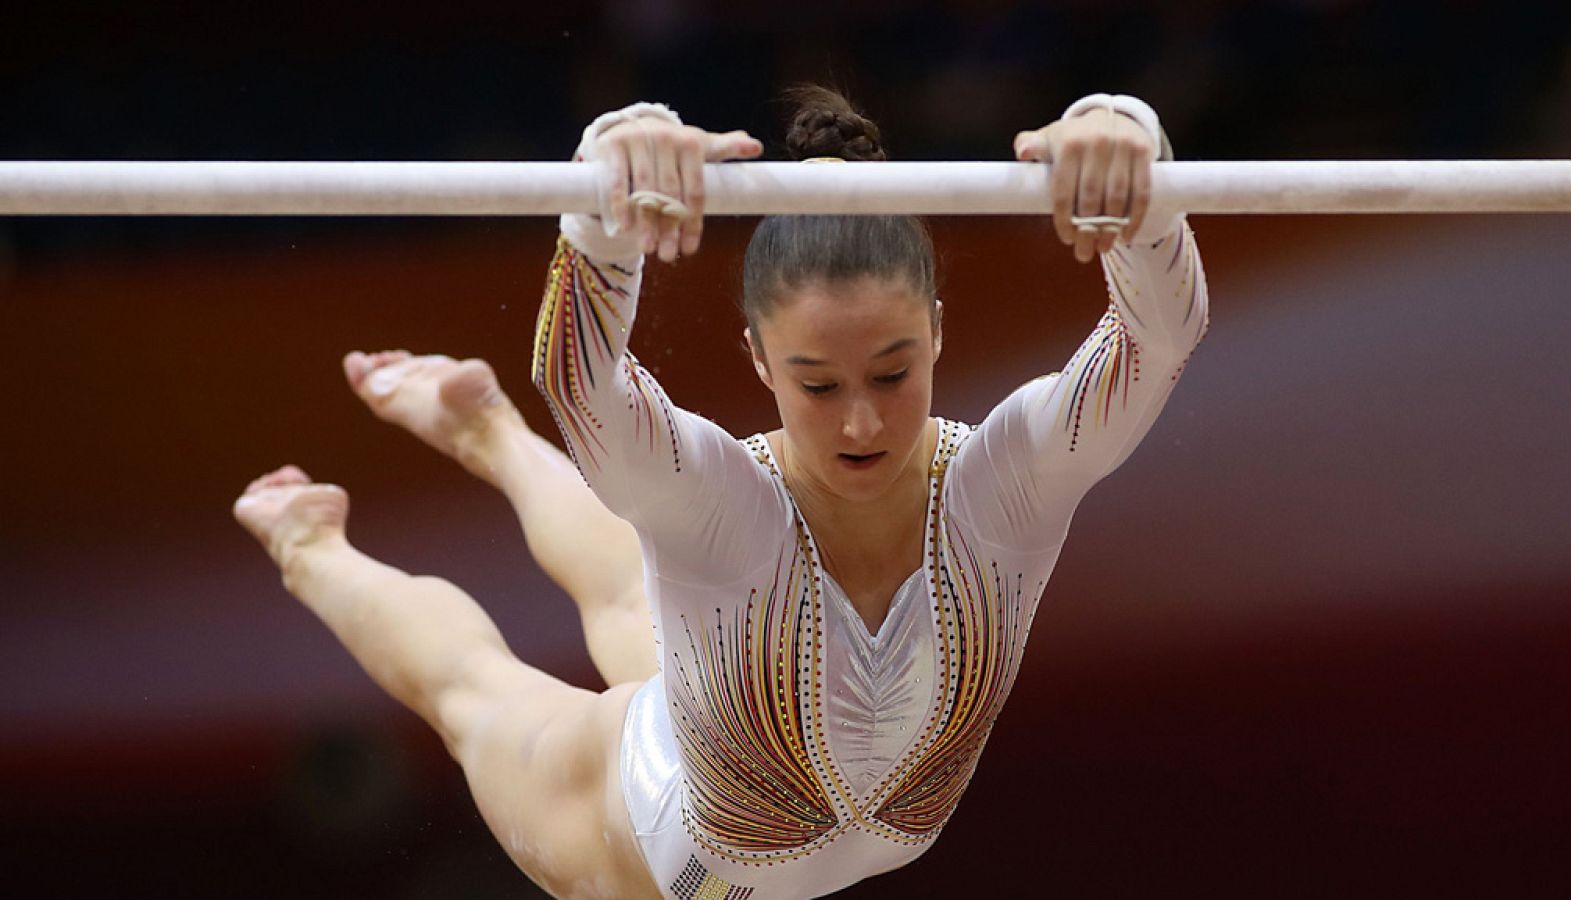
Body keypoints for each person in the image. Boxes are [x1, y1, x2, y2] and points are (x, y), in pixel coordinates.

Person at [234, 85, 1207, 899]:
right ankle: (307, 544)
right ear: (758, 359)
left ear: (939, 335)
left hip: (728, 702)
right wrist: (609, 188)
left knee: (639, 593)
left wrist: (1129, 147)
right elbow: (583, 382)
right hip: (657, 837)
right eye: (819, 386)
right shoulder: (727, 501)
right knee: (475, 697)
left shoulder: (1007, 487)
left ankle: (484, 430)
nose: (861, 423)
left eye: (892, 373)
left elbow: (1158, 339)